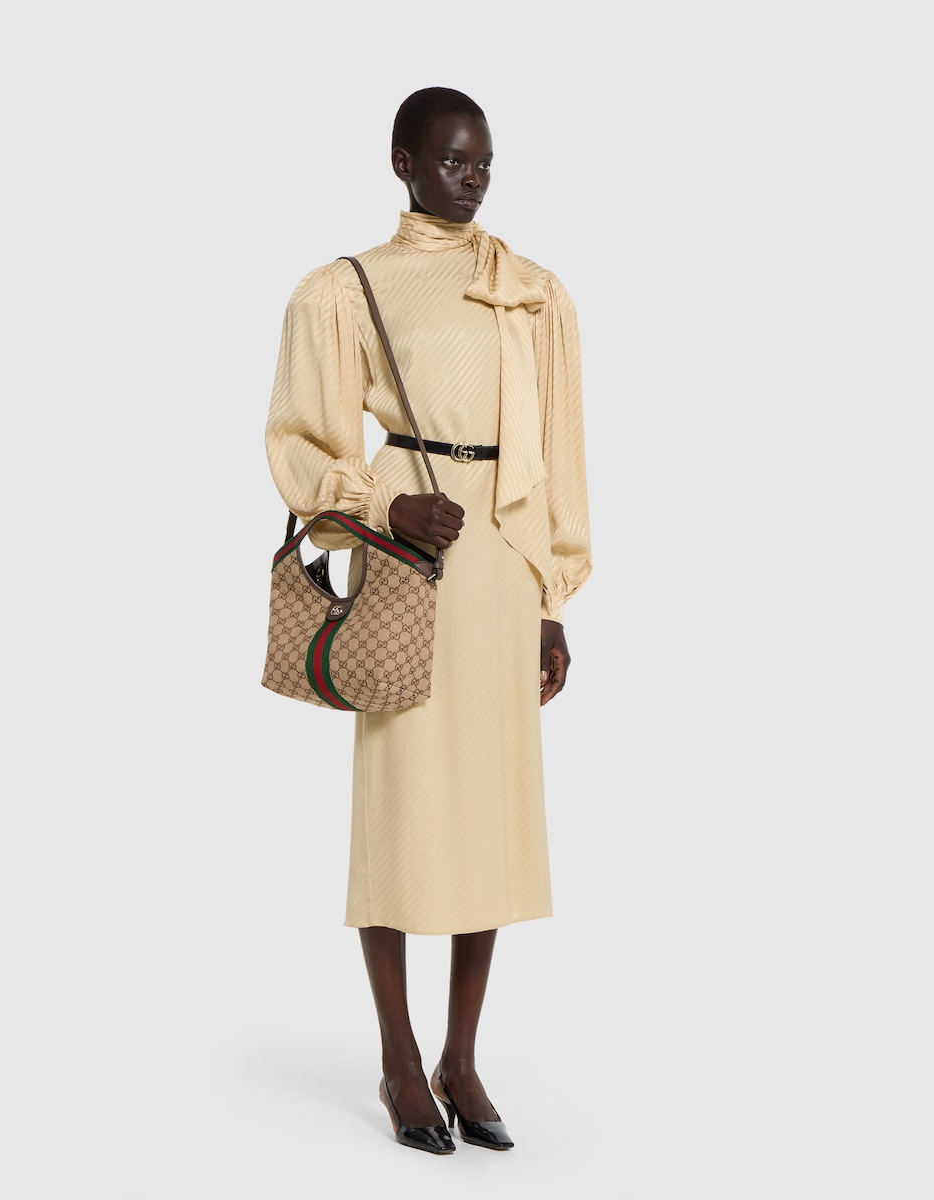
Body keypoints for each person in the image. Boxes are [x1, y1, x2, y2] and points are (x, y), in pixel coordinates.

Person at [264, 86, 591, 1154]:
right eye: (453, 160)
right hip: (411, 552)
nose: (473, 178)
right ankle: (400, 1058)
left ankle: (462, 1055)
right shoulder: (346, 288)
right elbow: (300, 441)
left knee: (490, 810)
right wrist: (380, 504)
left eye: (484, 161)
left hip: (502, 560)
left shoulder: (534, 291)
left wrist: (551, 603)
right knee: (400, 807)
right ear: (403, 162)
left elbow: (560, 456)